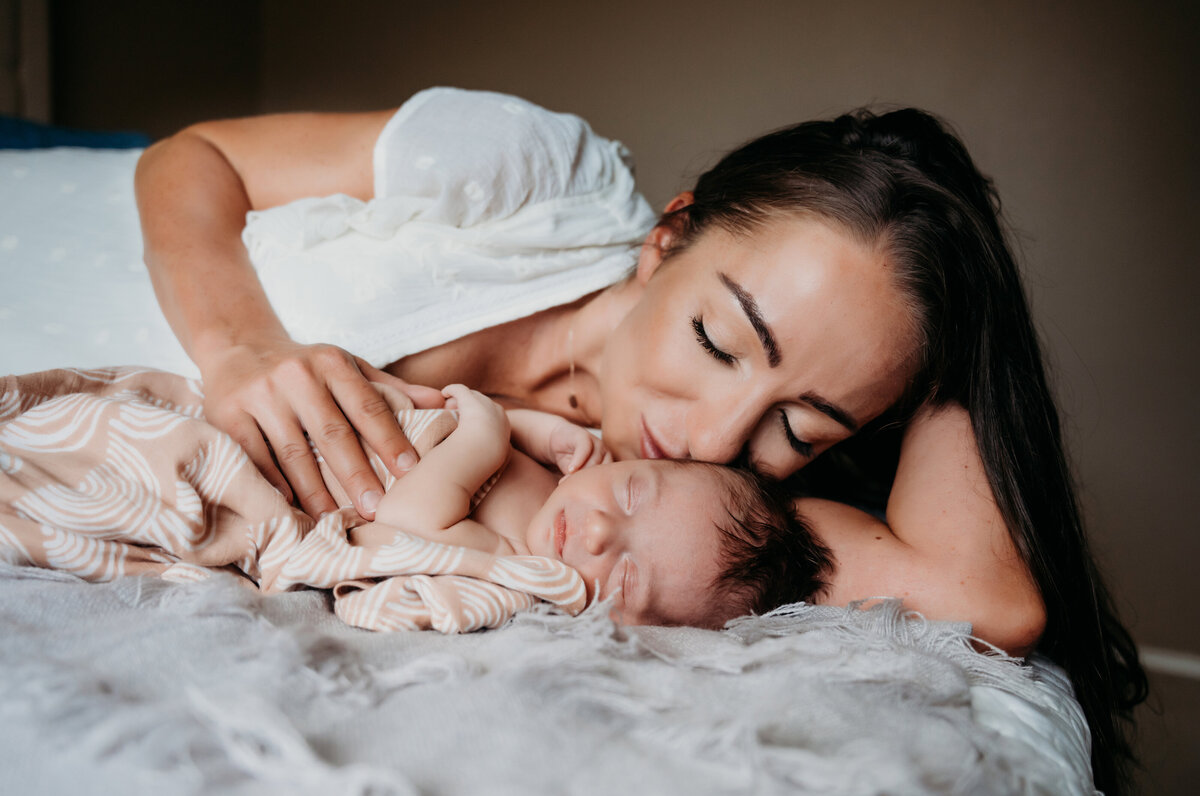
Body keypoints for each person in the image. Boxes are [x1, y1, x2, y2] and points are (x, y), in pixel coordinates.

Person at [134, 88, 1145, 792]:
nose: (711, 434)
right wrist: (239, 348)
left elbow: (994, 603)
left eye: (801, 423)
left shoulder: (708, 513)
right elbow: (193, 157)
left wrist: (959, 313)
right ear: (670, 235)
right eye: (717, 338)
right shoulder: (534, 176)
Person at [359, 383, 826, 628]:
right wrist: (542, 433)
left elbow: (406, 523)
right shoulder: (579, 470)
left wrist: (486, 434)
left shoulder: (520, 572)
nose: (601, 530)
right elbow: (503, 440)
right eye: (630, 493)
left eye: (626, 578)